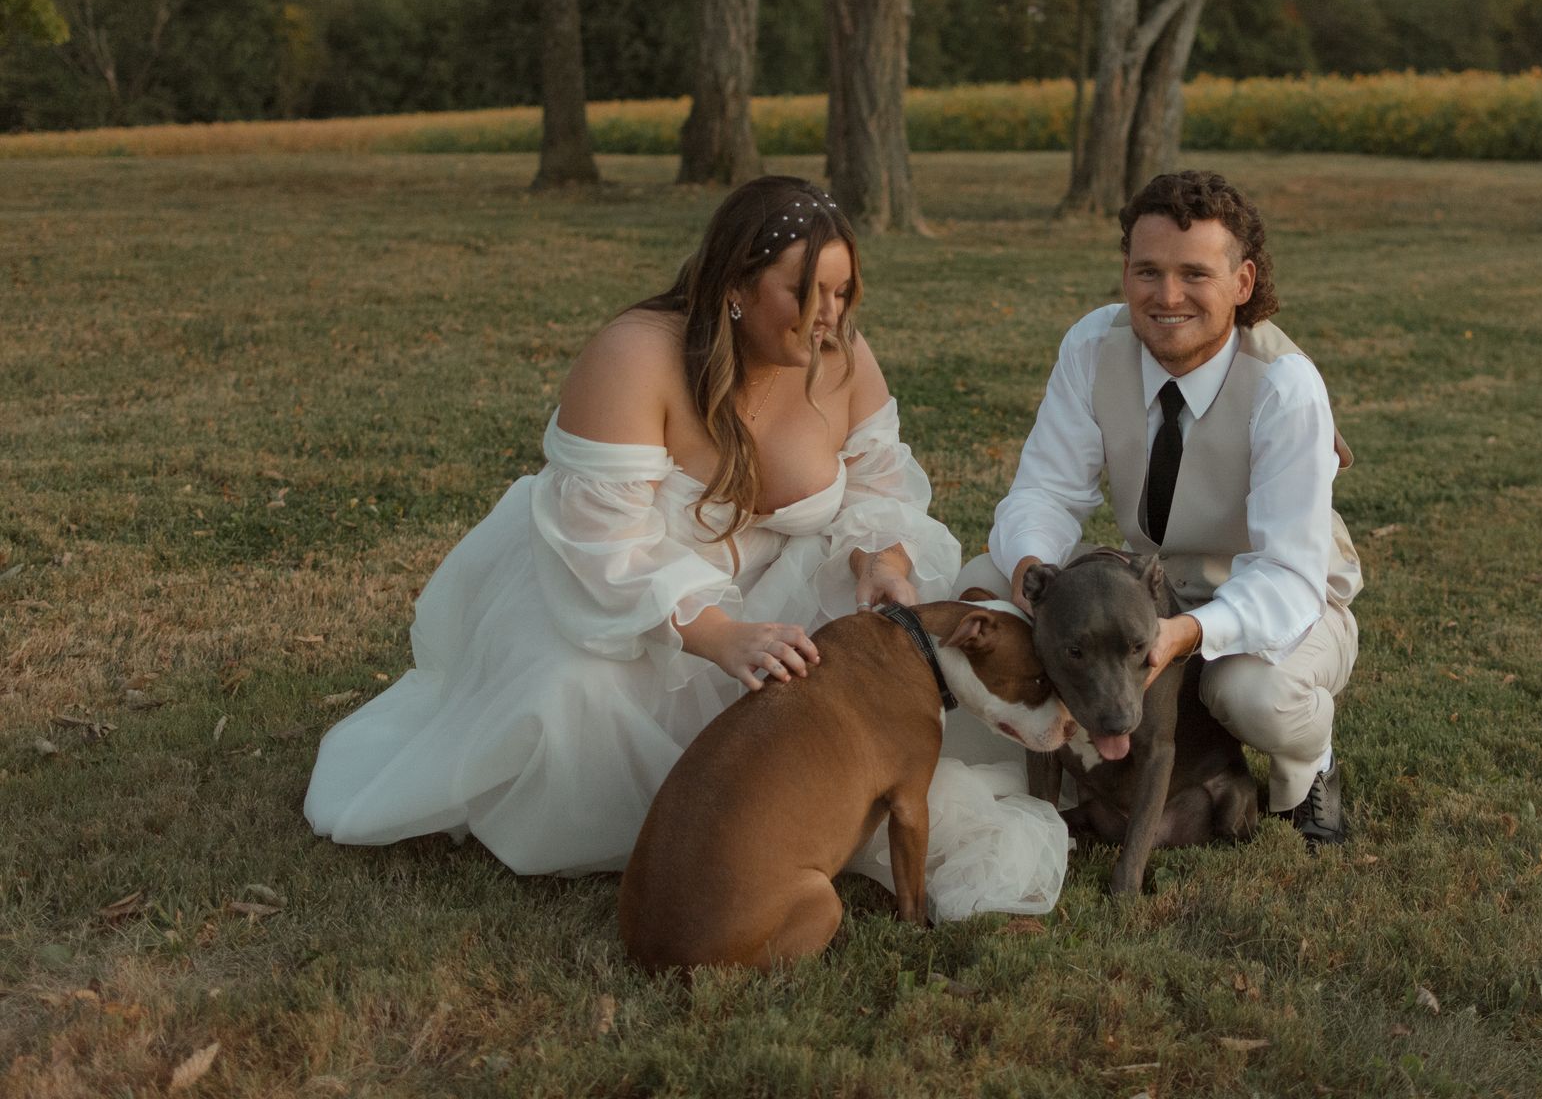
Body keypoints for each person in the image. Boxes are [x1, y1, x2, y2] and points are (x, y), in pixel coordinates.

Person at [306, 175, 1066, 918]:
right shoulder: (635, 356)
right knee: (570, 694)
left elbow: (878, 486)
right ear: (736, 285)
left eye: (842, 293)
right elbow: (601, 540)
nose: (829, 317)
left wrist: (882, 561)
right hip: (631, 593)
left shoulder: (843, 357)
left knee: (882, 665)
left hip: (788, 571)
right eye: (805, 294)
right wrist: (718, 635)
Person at [950, 169, 1363, 847]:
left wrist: (1183, 636)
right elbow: (1045, 491)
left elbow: (1288, 576)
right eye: (1148, 272)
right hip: (1155, 583)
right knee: (984, 585)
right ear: (1125, 272)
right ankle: (1041, 757)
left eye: (1195, 274)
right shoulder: (1093, 346)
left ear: (1244, 282)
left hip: (1290, 594)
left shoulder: (1284, 387)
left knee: (1244, 695)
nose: (1167, 297)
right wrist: (1035, 578)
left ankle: (1306, 771)